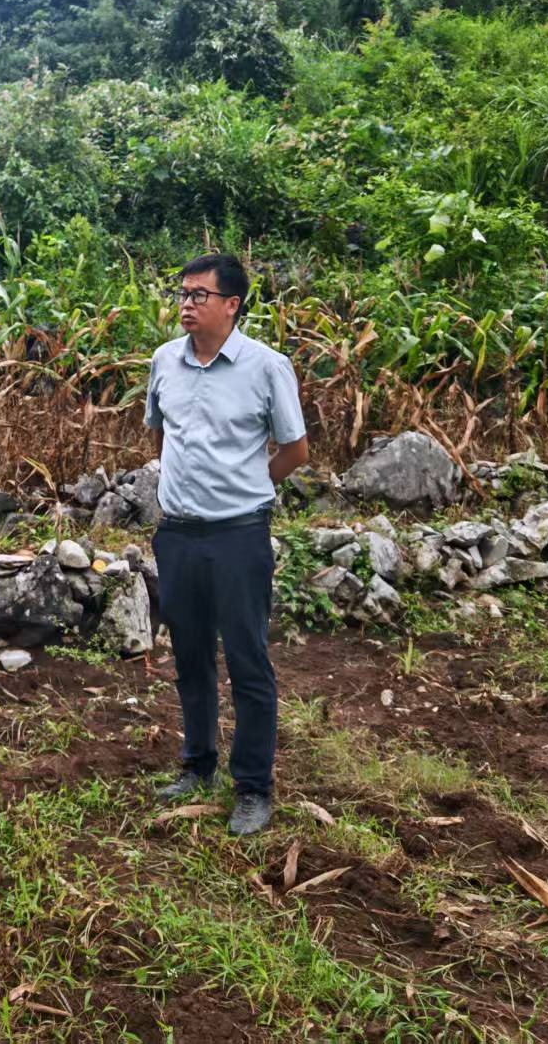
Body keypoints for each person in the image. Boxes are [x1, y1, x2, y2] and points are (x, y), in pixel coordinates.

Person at [144, 252, 308, 837]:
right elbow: (161, 434)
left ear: (232, 305)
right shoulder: (165, 360)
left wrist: (248, 486)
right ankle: (197, 764)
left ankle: (253, 787)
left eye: (200, 295)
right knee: (190, 655)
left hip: (238, 535)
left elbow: (295, 450)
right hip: (178, 534)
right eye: (183, 294)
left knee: (246, 659)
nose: (187, 304)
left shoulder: (266, 367)